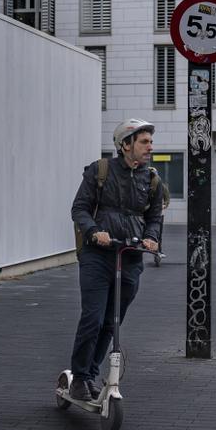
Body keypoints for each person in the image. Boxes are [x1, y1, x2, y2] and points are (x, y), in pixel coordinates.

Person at [68, 118, 163, 401]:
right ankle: (79, 378)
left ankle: (90, 374)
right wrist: (94, 232)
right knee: (93, 318)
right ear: (125, 145)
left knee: (112, 323)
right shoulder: (101, 171)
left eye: (150, 142)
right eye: (144, 142)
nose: (149, 147)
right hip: (97, 256)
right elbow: (80, 208)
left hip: (131, 257)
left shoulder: (153, 179)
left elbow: (154, 218)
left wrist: (151, 237)